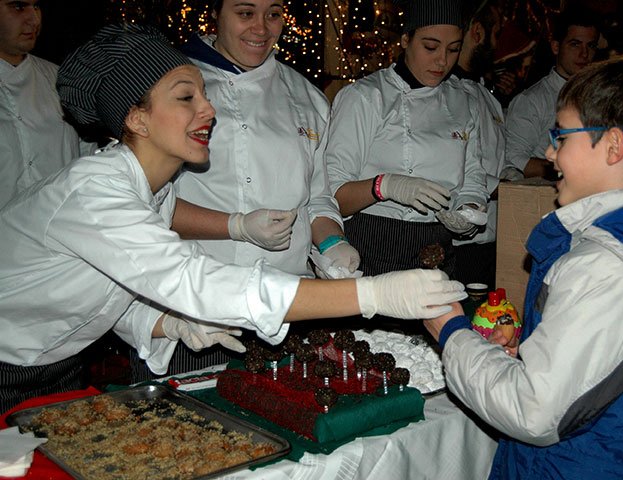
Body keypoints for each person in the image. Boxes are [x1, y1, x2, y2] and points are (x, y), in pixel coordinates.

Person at [0, 24, 467, 413]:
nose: (208, 109)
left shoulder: (152, 194)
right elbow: (193, 278)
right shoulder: (95, 193)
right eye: (186, 98)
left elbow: (106, 290)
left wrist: (168, 324)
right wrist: (373, 293)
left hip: (57, 367)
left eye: (204, 94)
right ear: (137, 119)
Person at [424, 56, 623, 478]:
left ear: (614, 146)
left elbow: (534, 412)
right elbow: (606, 365)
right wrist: (534, 348)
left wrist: (451, 331)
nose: (549, 152)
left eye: (562, 136)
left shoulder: (611, 265)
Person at [128, 0, 360, 380]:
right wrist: (236, 225)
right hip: (194, 312)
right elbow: (142, 204)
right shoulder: (171, 88)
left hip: (289, 307)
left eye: (274, 14)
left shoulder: (307, 97)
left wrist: (333, 245)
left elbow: (316, 197)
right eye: (245, 13)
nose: (262, 29)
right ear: (215, 12)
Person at [325, 0, 489, 284]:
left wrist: (469, 211)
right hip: (374, 245)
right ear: (405, 40)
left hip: (438, 247)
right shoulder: (366, 97)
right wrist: (385, 185)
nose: (442, 61)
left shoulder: (464, 101)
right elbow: (331, 196)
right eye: (430, 47)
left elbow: (473, 177)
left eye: (453, 49)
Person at [0, 0, 94, 208]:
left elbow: (89, 157)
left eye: (37, 7)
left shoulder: (61, 81)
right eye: (18, 7)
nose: (34, 19)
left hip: (58, 228)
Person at [450, 0, 509, 289]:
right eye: (495, 33)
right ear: (477, 31)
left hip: (492, 237)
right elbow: (449, 166)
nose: (497, 44)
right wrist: (502, 186)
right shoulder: (443, 93)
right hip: (456, 241)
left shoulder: (489, 97)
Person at [504, 6, 600, 180]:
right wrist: (566, 168)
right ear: (556, 47)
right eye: (575, 44)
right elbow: (512, 159)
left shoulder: (601, 98)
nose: (584, 54)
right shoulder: (532, 100)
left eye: (591, 46)